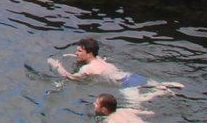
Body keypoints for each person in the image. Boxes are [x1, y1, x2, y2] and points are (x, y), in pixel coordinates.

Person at [47, 38, 182, 104]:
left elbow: (70, 77)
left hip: (125, 84)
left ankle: (158, 92)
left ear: (89, 53)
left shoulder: (87, 68)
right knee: (156, 84)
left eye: (79, 51)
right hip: (131, 76)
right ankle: (165, 85)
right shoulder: (100, 59)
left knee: (136, 104)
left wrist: (57, 66)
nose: (76, 53)